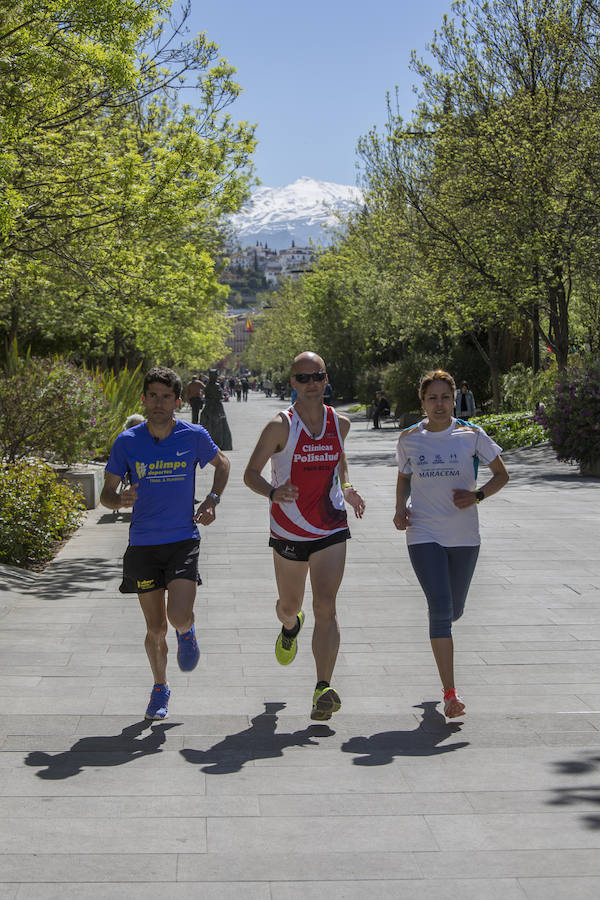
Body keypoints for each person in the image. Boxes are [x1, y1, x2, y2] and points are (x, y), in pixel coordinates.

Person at [100, 366, 230, 721]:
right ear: (143, 399)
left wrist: (212, 499)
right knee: (155, 628)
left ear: (178, 401)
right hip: (142, 544)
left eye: (166, 397)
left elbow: (223, 464)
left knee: (177, 616)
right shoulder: (127, 442)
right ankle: (160, 687)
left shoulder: (194, 435)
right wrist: (120, 499)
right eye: (153, 396)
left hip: (182, 539)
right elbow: (106, 496)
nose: (159, 403)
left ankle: (186, 632)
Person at [243, 351, 366, 721]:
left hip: (330, 525)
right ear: (292, 383)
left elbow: (339, 458)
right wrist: (272, 492)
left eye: (318, 376)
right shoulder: (279, 426)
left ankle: (322, 688)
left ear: (326, 380)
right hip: (289, 528)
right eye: (303, 378)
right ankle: (289, 627)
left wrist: (348, 487)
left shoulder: (339, 423)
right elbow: (250, 473)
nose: (312, 383)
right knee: (289, 605)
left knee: (326, 605)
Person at [393, 369, 509, 718]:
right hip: (423, 532)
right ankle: (450, 694)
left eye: (445, 397)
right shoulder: (409, 438)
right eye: (432, 398)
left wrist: (477, 495)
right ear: (422, 402)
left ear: (454, 398)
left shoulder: (471, 434)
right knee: (441, 609)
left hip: (464, 537)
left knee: (454, 609)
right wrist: (400, 508)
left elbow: (501, 474)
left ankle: (442, 624)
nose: (439, 404)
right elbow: (403, 478)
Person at [200, 370, 233, 450]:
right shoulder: (216, 385)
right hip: (217, 406)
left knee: (208, 424)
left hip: (208, 406)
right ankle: (220, 443)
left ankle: (207, 443)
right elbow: (220, 395)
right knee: (219, 424)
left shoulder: (207, 386)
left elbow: (206, 395)